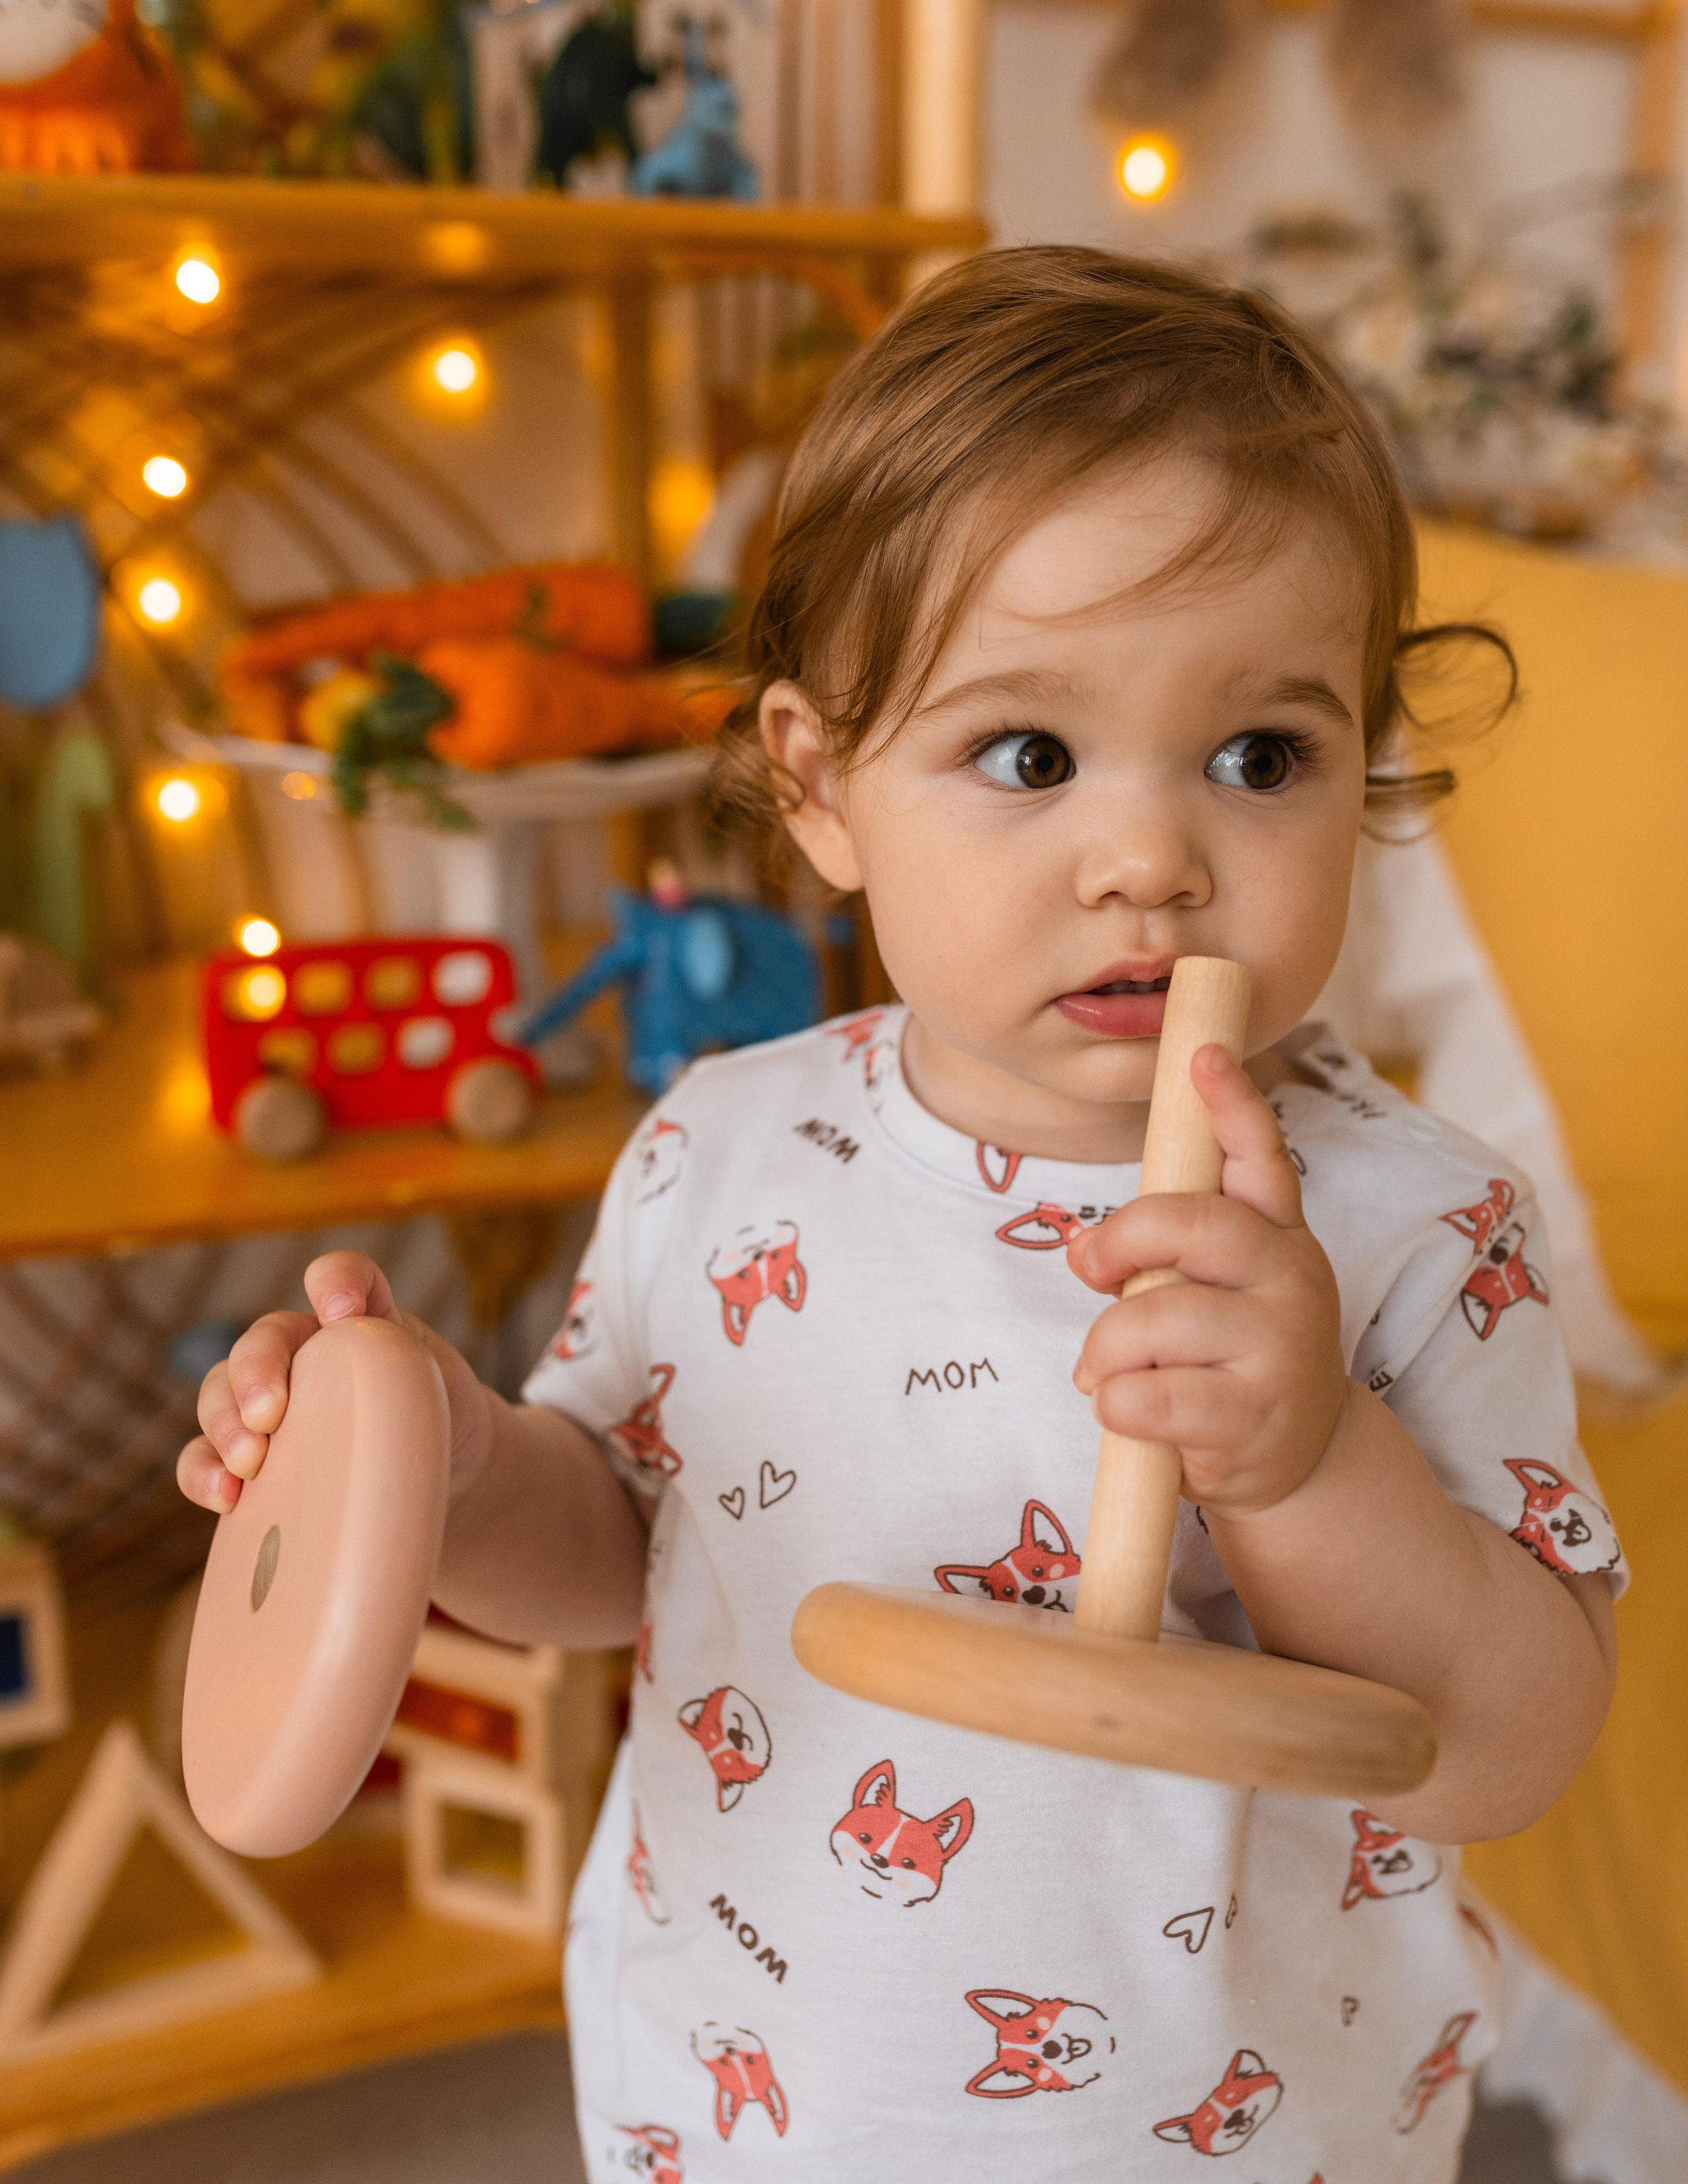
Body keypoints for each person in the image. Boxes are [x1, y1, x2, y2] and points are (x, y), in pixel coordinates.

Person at [178, 248, 1621, 2179]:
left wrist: (1307, 1467)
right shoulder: (721, 1151)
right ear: (821, 784)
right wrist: (439, 1460)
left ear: (1363, 768)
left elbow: (1515, 1748)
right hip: (752, 2097)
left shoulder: (1423, 1227)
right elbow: (618, 1555)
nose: (1151, 861)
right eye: (1027, 754)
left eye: (1260, 754)